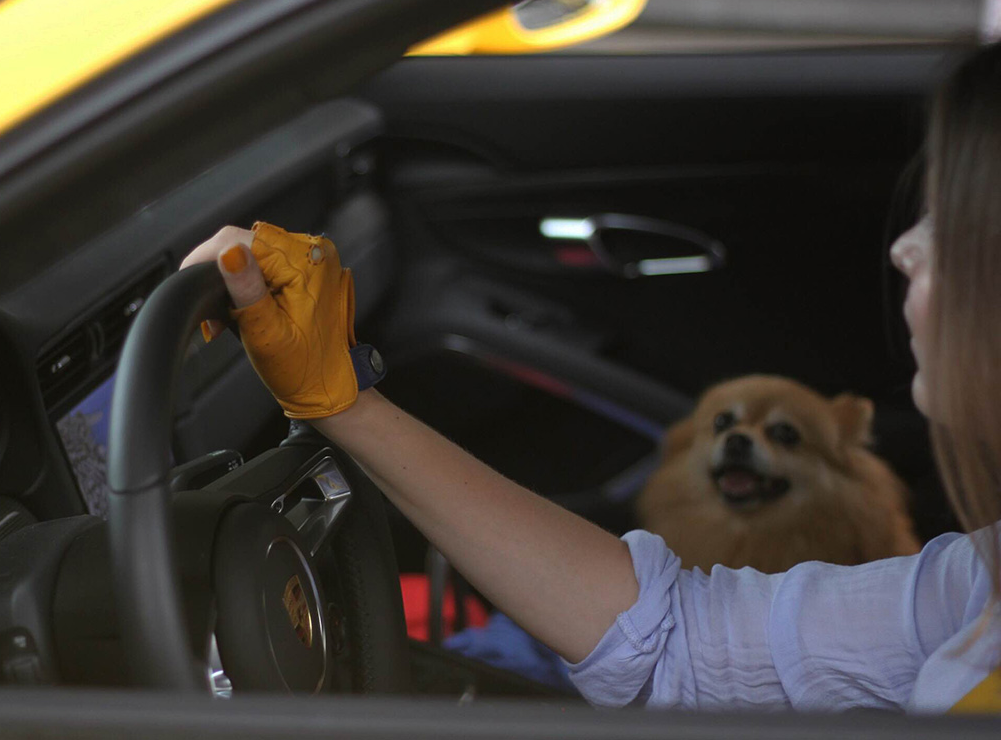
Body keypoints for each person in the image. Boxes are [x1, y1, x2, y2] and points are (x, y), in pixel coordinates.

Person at [179, 43, 1001, 713]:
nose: (906, 248)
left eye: (952, 222)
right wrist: (347, 402)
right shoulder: (974, 584)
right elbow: (679, 646)